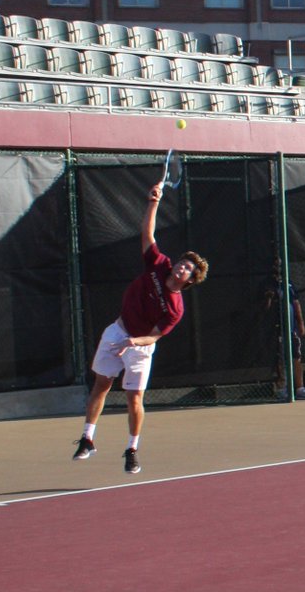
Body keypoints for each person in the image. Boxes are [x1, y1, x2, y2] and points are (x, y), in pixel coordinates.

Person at [72, 182, 209, 474]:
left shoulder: (176, 309)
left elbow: (155, 336)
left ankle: (131, 449)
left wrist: (133, 343)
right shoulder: (159, 264)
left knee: (134, 398)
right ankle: (87, 438)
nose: (181, 267)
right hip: (117, 331)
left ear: (190, 279)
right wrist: (153, 202)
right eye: (182, 262)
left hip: (141, 346)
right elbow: (147, 234)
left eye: (187, 268)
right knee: (101, 385)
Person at [263, 277, 305, 400]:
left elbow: (296, 303)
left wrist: (301, 323)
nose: (279, 265)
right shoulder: (268, 284)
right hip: (277, 329)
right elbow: (265, 308)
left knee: (296, 357)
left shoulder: (289, 282)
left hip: (292, 330)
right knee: (280, 359)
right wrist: (269, 297)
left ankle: (300, 389)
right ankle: (282, 389)